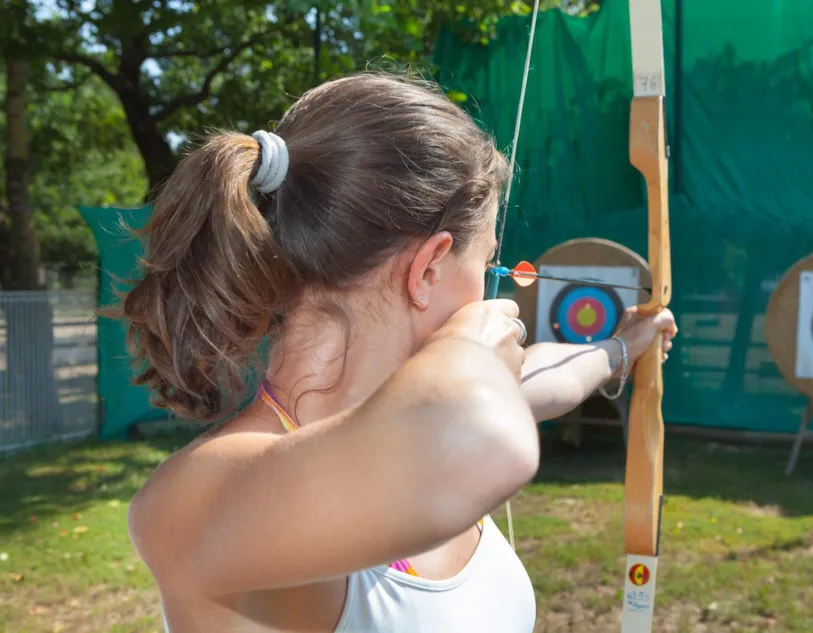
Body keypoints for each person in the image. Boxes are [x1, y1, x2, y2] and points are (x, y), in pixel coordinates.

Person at [120, 71, 677, 633]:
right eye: (487, 264)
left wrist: (621, 346)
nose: (490, 288)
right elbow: (493, 441)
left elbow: (545, 378)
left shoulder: (435, 416)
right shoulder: (198, 498)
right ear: (428, 268)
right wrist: (466, 345)